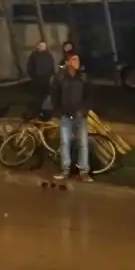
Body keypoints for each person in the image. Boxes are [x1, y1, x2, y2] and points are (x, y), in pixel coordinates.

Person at [51, 53, 93, 182]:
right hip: (66, 116)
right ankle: (65, 170)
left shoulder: (83, 77)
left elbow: (89, 96)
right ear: (68, 62)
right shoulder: (60, 77)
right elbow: (55, 96)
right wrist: (59, 111)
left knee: (83, 143)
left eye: (78, 60)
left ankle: (83, 171)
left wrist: (84, 110)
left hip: (80, 116)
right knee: (65, 142)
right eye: (74, 60)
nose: (77, 62)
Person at [26, 41, 55, 115]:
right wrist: (33, 76)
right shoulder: (33, 55)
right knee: (37, 96)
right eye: (40, 45)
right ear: (37, 46)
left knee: (46, 96)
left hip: (46, 79)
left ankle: (45, 112)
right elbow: (30, 66)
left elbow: (52, 66)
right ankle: (37, 111)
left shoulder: (48, 55)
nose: (41, 47)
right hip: (37, 79)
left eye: (43, 46)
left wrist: (52, 75)